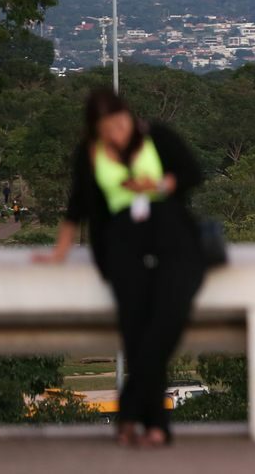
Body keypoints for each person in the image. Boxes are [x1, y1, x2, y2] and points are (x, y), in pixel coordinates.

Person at [33, 88, 206, 448]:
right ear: (95, 129)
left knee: (165, 323)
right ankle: (157, 427)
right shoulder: (91, 154)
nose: (118, 132)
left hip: (173, 240)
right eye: (108, 128)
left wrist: (157, 184)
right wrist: (58, 253)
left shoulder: (156, 136)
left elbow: (191, 173)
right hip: (121, 247)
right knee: (136, 331)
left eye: (122, 123)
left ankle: (128, 413)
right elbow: (77, 207)